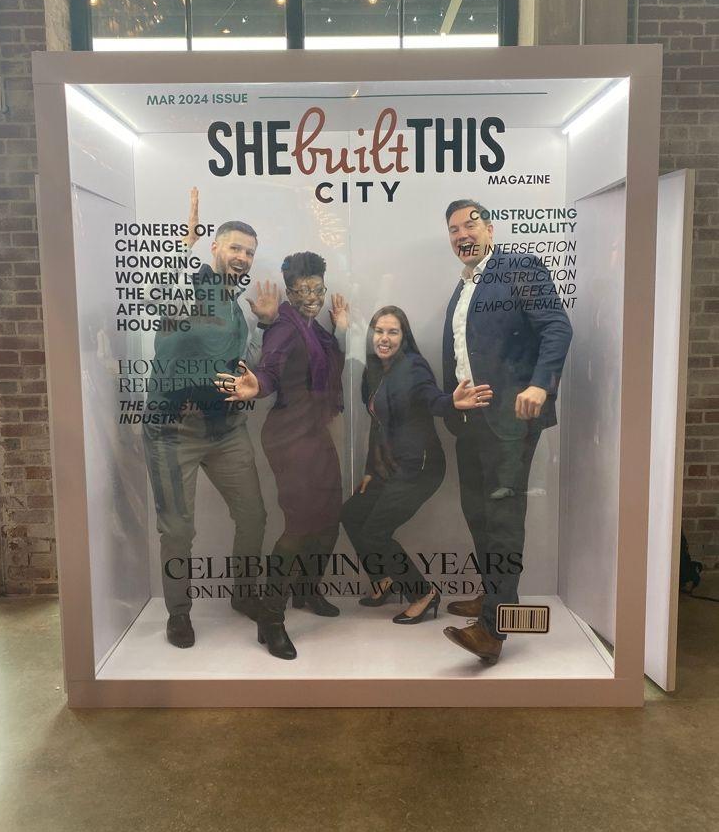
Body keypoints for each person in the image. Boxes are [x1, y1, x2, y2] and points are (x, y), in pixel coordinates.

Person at [142, 187, 280, 649]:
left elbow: (247, 365)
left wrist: (264, 322)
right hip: (171, 430)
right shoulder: (185, 282)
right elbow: (153, 296)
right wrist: (184, 244)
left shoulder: (240, 307)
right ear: (216, 247)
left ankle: (244, 594)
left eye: (249, 252)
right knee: (178, 529)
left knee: (254, 516)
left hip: (226, 431)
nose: (242, 256)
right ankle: (178, 613)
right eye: (235, 247)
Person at [440, 199, 573, 664]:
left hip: (511, 421)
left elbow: (558, 326)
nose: (462, 234)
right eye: (454, 230)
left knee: (502, 518)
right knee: (477, 512)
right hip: (471, 422)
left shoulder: (520, 268)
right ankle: (496, 596)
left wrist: (541, 384)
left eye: (470, 224)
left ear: (490, 229)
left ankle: (493, 631)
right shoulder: (464, 288)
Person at [217, 251, 348, 660]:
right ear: (290, 292)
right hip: (289, 437)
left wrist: (340, 328)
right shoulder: (285, 328)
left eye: (317, 288)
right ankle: (270, 619)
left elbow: (331, 364)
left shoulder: (316, 328)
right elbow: (271, 366)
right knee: (300, 524)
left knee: (329, 518)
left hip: (316, 432)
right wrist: (259, 386)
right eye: (302, 289)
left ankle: (307, 592)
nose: (311, 296)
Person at [341, 307, 492, 624]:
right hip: (390, 466)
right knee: (352, 514)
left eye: (392, 332)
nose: (384, 338)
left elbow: (431, 398)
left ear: (403, 337)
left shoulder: (413, 366)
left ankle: (423, 594)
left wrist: (451, 402)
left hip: (419, 467)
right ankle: (382, 579)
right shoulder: (376, 370)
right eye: (379, 331)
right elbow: (377, 425)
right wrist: (370, 469)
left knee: (376, 533)